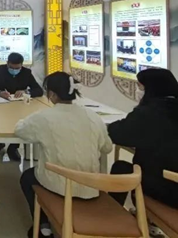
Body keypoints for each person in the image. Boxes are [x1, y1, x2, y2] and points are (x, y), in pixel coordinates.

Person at [16, 72, 113, 238]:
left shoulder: (43, 117)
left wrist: (21, 121)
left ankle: (43, 226)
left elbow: (21, 131)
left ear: (52, 94)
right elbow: (107, 148)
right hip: (91, 185)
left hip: (59, 185)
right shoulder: (93, 117)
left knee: (27, 177)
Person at [108, 68, 178, 208]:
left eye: (140, 87)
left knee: (121, 168)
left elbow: (117, 133)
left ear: (151, 89)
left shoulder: (150, 113)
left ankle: (112, 212)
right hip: (173, 180)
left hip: (167, 187)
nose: (138, 91)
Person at [0, 52, 43, 161]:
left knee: (19, 123)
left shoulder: (26, 73)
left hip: (20, 106)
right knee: (2, 122)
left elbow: (39, 90)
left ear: (21, 65)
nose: (14, 70)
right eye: (11, 68)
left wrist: (26, 92)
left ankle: (13, 147)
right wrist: (0, 92)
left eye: (17, 68)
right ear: (7, 63)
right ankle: (0, 142)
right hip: (3, 105)